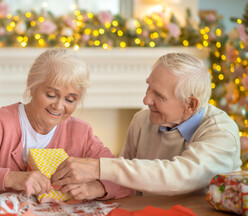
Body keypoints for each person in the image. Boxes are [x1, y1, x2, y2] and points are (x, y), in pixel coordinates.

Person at [0, 48, 134, 201]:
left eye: (70, 99)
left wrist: (96, 188)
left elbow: (126, 179)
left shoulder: (81, 133)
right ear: (32, 86)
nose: (59, 106)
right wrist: (11, 178)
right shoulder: (0, 124)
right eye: (51, 95)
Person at [51, 52, 242, 196]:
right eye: (148, 87)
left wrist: (98, 167)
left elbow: (180, 175)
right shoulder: (142, 121)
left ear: (190, 104)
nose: (146, 100)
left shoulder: (221, 131)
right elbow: (127, 181)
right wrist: (98, 188)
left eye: (158, 95)